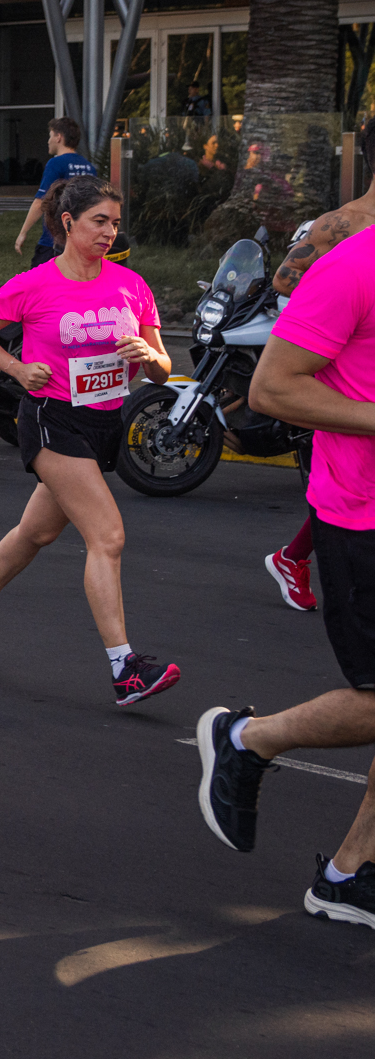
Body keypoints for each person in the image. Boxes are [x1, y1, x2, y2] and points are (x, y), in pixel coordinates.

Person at [197, 221, 375, 928]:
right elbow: (272, 389)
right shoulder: (352, 266)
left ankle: (348, 873)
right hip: (362, 517)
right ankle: (247, 741)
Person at [0, 178, 180, 706]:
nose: (109, 232)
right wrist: (17, 368)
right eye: (99, 221)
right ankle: (125, 668)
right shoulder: (35, 284)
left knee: (36, 532)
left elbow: (165, 369)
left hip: (104, 423)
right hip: (52, 419)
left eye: (115, 223)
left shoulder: (131, 284)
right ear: (69, 222)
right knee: (108, 536)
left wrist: (148, 356)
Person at [262, 144, 375, 612]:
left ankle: (293, 556)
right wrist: (331, 301)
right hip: (325, 356)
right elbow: (283, 281)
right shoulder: (339, 225)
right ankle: (294, 557)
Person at [15, 117, 96, 264]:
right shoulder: (89, 167)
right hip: (80, 240)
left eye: (50, 135)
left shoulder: (55, 163)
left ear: (59, 137)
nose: (48, 141)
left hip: (53, 240)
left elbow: (42, 201)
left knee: (39, 283)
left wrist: (23, 233)